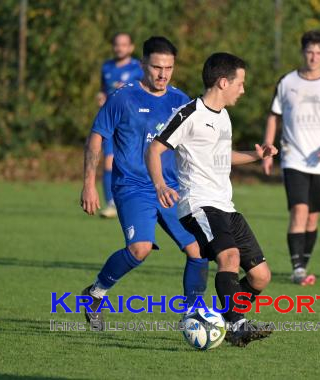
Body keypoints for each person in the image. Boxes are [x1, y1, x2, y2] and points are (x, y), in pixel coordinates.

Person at [146, 52, 277, 347]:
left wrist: (257, 155)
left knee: (260, 277)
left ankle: (219, 318)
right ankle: (237, 325)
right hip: (198, 203)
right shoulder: (189, 113)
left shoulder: (224, 116)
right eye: (240, 83)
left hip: (225, 205)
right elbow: (154, 149)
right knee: (228, 258)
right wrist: (159, 185)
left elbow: (222, 157)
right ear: (223, 82)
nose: (243, 90)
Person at [80, 36, 209, 328]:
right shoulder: (123, 98)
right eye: (156, 67)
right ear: (142, 65)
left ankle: (192, 316)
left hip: (171, 189)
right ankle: (96, 293)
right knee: (139, 249)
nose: (163, 74)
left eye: (169, 68)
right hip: (133, 186)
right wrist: (89, 183)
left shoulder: (180, 100)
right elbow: (96, 138)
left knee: (198, 251)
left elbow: (195, 144)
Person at [261, 30, 320, 285]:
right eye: (310, 52)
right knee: (299, 210)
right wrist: (268, 149)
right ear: (303, 53)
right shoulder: (287, 82)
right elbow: (273, 116)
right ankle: (297, 268)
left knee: (312, 216)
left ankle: (303, 261)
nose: (314, 57)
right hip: (293, 157)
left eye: (319, 52)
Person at [97, 33, 144, 218]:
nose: (120, 48)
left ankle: (137, 201)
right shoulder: (107, 67)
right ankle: (111, 204)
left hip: (133, 123)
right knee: (108, 162)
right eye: (117, 44)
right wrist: (101, 96)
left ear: (131, 47)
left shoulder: (138, 68)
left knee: (135, 163)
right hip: (110, 121)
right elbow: (103, 89)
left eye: (124, 45)